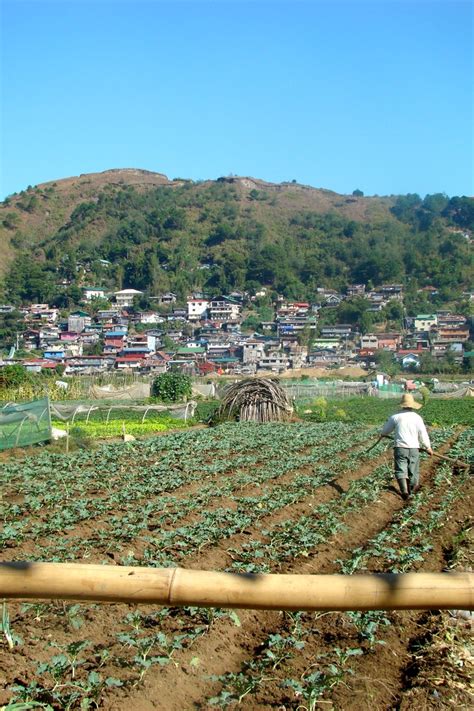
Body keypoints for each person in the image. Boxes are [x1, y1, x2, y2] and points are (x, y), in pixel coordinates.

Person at [380, 393, 433, 500]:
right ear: (412, 405)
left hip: (400, 448)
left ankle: (404, 491)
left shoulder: (395, 417)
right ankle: (413, 491)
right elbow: (423, 433)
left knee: (400, 469)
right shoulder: (417, 418)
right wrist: (428, 447)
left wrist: (382, 434)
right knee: (413, 470)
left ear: (402, 405)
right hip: (414, 448)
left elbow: (385, 431)